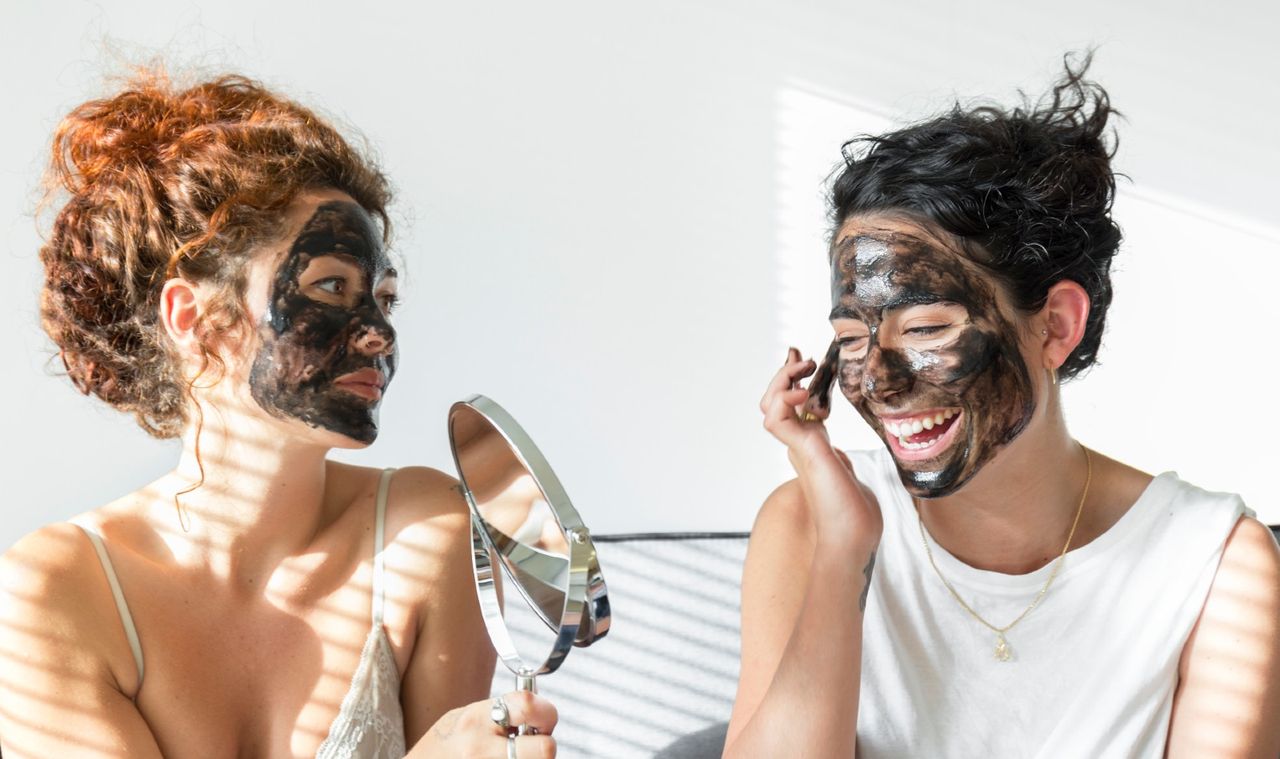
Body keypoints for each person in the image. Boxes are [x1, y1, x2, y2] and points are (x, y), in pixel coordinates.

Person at [726, 57, 1280, 757]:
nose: (882, 381)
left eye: (926, 328)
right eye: (851, 338)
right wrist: (843, 552)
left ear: (1055, 326)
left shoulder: (1211, 560)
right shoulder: (807, 520)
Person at [0, 71, 557, 758]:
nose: (376, 331)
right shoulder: (59, 593)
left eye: (383, 298)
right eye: (331, 285)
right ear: (193, 316)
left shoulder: (424, 536)